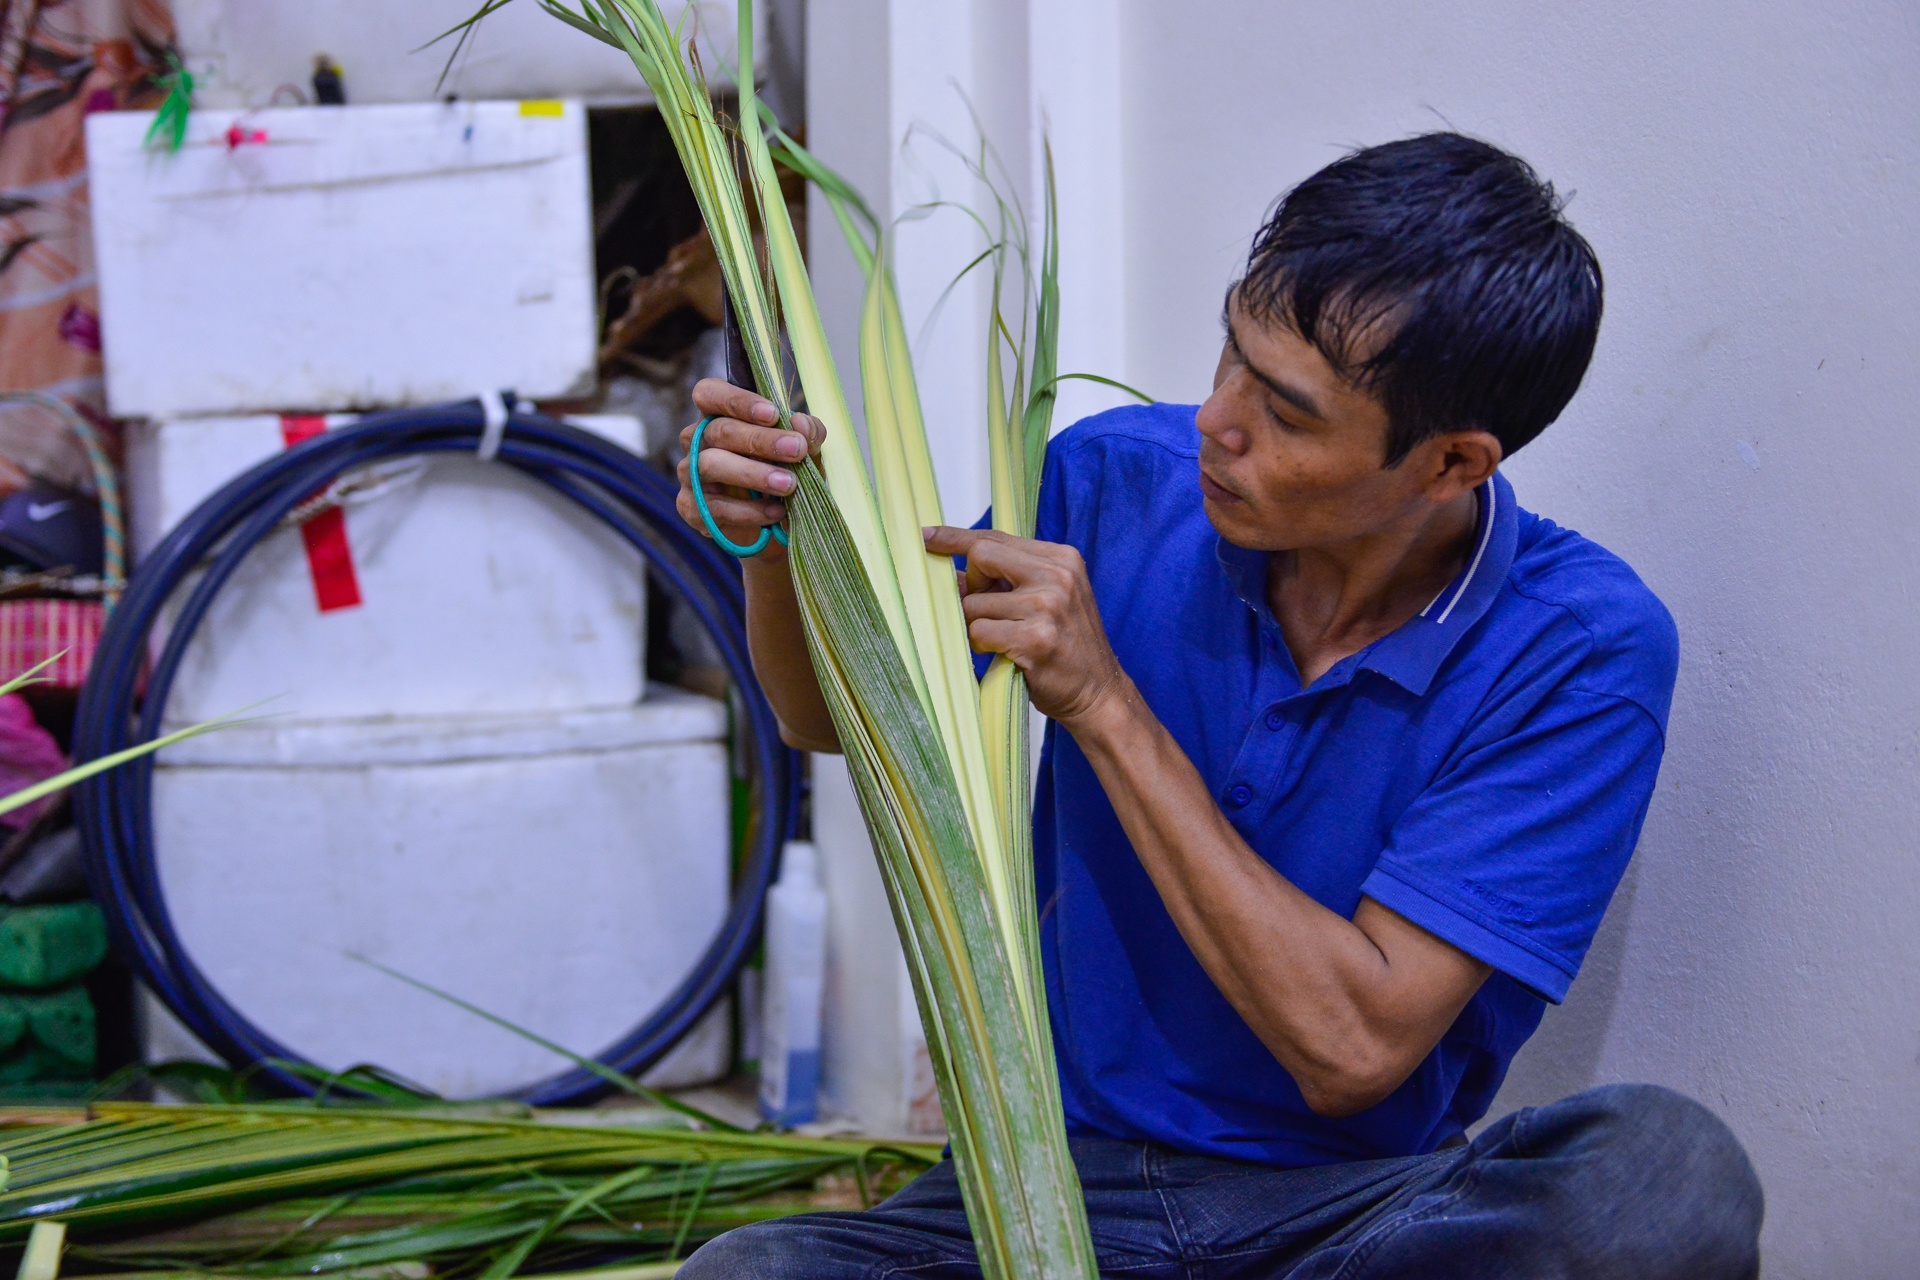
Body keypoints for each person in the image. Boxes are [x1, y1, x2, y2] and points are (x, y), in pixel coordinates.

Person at [673, 133, 1763, 1278]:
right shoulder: (1110, 481)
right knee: (748, 1272)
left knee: (1662, 1175)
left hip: (1342, 1218)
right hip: (1054, 1183)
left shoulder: (1579, 649)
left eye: (1286, 415)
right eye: (1230, 352)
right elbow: (829, 719)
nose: (1215, 420)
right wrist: (775, 536)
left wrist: (1104, 702)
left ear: (1450, 464)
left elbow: (1350, 1047)